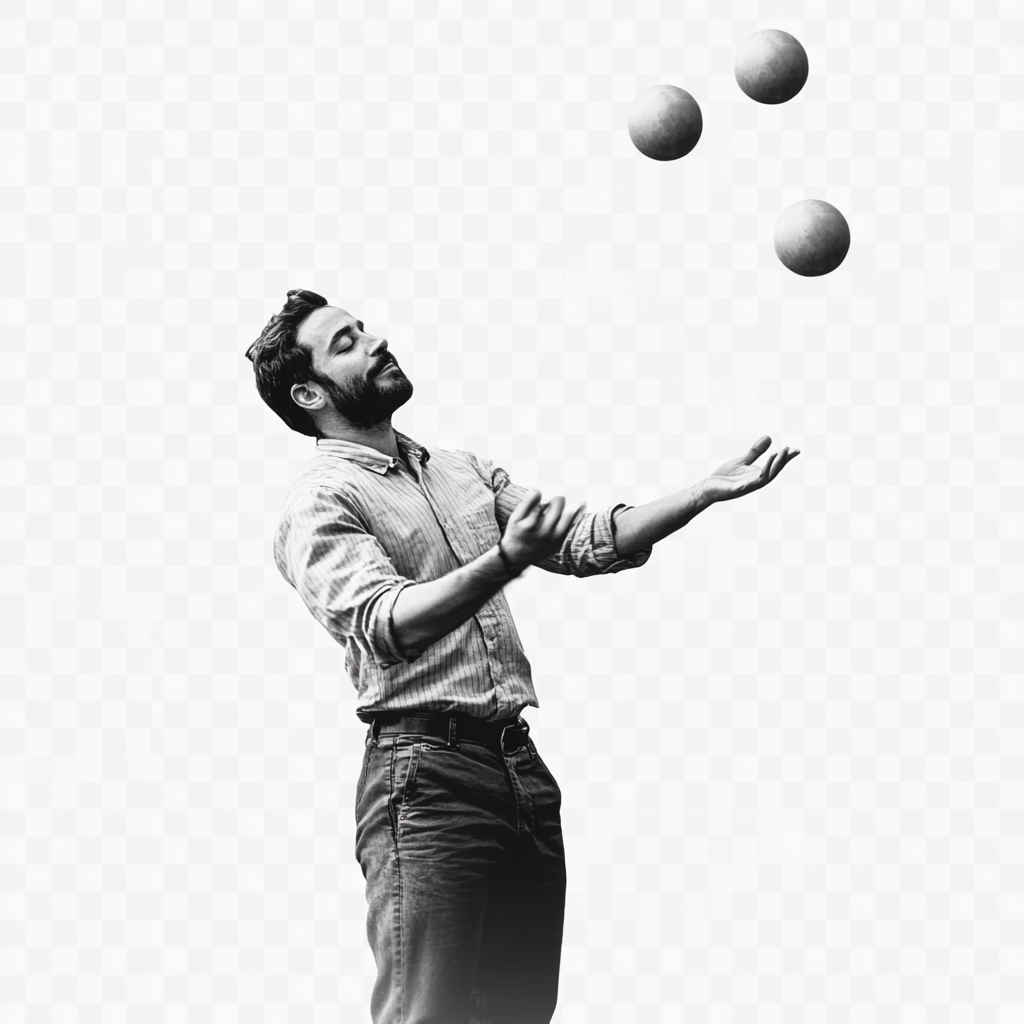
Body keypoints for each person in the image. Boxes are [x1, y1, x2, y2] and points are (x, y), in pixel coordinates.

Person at [245, 288, 800, 1024]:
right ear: (309, 392)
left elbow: (588, 538)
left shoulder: (459, 469)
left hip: (519, 774)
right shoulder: (320, 502)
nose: (375, 340)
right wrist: (503, 563)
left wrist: (699, 494)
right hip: (425, 779)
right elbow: (386, 621)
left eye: (364, 326)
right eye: (346, 342)